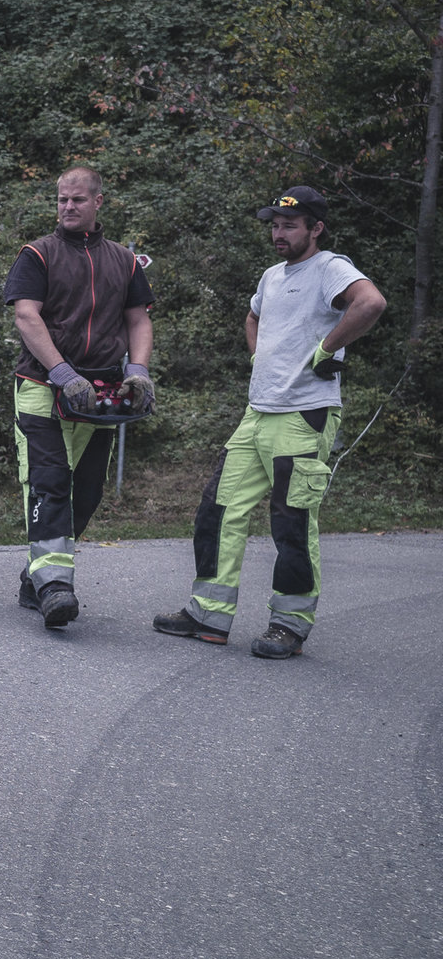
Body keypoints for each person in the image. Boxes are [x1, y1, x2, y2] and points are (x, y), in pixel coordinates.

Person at [154, 186, 386, 659]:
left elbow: (371, 303)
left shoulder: (330, 268)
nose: (278, 234)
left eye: (289, 226)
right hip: (257, 413)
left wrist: (325, 351)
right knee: (218, 509)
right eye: (275, 226)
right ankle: (208, 614)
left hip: (304, 415)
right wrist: (261, 358)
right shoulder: (272, 275)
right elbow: (252, 316)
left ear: (315, 228)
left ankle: (289, 624)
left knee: (292, 522)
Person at [3, 165, 155, 628]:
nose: (68, 207)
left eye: (77, 200)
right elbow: (27, 317)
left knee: (84, 495)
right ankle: (55, 588)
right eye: (62, 200)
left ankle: (37, 575)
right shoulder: (37, 254)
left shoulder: (124, 261)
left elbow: (139, 320)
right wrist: (62, 371)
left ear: (98, 202)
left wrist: (139, 371)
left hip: (101, 396)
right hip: (41, 389)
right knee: (49, 485)